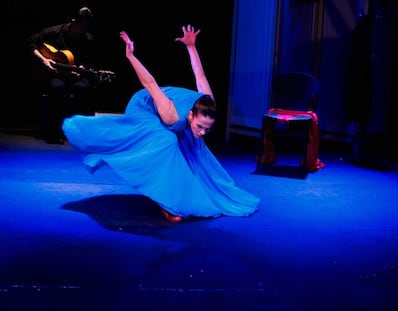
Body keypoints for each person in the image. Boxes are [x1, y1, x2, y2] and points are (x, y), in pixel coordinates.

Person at [62, 25, 260, 222]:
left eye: (207, 129)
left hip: (165, 109)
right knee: (166, 142)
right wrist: (131, 56)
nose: (202, 132)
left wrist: (191, 47)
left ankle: (182, 195)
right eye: (200, 127)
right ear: (191, 116)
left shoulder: (207, 103)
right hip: (144, 107)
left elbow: (200, 75)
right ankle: (166, 202)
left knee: (194, 149)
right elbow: (149, 83)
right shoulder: (171, 114)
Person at [26, 6, 98, 144]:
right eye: (82, 26)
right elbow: (30, 41)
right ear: (73, 22)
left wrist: (82, 67)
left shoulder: (87, 39)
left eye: (87, 27)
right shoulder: (54, 31)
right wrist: (44, 59)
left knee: (82, 88)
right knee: (57, 88)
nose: (84, 30)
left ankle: (78, 131)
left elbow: (90, 61)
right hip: (55, 74)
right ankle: (53, 130)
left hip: (76, 75)